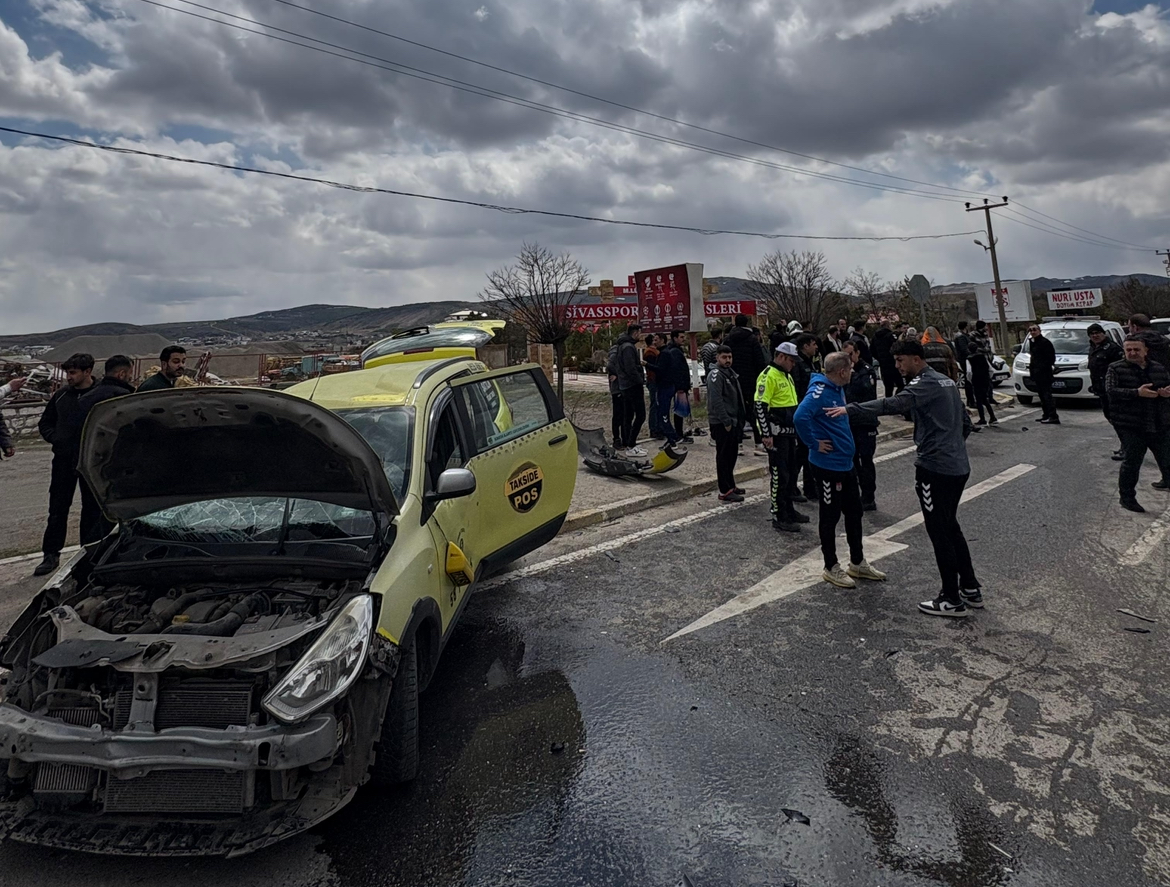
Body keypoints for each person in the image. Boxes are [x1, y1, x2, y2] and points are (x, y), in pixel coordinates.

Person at [829, 340, 980, 618]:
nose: (897, 366)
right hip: (958, 465)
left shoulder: (924, 384)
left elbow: (894, 403)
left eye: (900, 361)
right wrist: (952, 446)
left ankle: (950, 598)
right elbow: (966, 423)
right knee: (951, 526)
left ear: (915, 359)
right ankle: (970, 586)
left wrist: (851, 409)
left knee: (939, 531)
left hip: (935, 469)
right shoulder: (945, 382)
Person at [795, 352, 887, 588]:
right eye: (850, 369)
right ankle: (830, 566)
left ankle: (857, 562)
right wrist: (814, 444)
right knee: (830, 515)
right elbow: (800, 417)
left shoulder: (837, 389)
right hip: (827, 466)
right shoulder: (819, 392)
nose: (853, 372)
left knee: (854, 512)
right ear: (842, 371)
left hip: (846, 463)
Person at [33, 353, 100, 576]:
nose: (68, 378)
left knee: (91, 510)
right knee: (58, 509)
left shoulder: (100, 395)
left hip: (91, 462)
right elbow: (45, 423)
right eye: (67, 373)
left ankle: (88, 554)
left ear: (87, 372)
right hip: (63, 461)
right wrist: (57, 438)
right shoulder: (61, 396)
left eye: (73, 373)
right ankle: (50, 555)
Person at [1106, 336, 1170, 513]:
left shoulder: (1158, 368)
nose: (1133, 353)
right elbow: (1111, 391)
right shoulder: (1115, 368)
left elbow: (1166, 386)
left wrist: (1165, 393)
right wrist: (1136, 393)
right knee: (1132, 461)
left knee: (1166, 456)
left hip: (1158, 421)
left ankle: (1167, 480)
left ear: (1145, 350)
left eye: (1136, 349)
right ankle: (1127, 498)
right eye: (1129, 350)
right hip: (1130, 423)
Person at [756, 342, 809, 532]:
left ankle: (789, 510)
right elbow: (760, 407)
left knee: (792, 473)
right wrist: (766, 434)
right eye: (792, 360)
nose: (794, 364)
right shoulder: (768, 376)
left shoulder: (786, 376)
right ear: (782, 357)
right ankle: (779, 514)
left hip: (789, 433)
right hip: (776, 436)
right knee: (780, 476)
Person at [706, 345, 746, 502]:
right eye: (724, 357)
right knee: (723, 457)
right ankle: (724, 490)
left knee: (731, 455)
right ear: (717, 357)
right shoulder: (716, 375)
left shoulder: (730, 373)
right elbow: (716, 401)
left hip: (734, 421)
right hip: (722, 422)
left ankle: (730, 484)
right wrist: (726, 421)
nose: (727, 360)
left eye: (729, 357)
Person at [843, 341, 880, 510]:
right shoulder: (844, 372)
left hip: (866, 421)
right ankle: (855, 492)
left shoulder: (866, 370)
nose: (848, 358)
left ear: (857, 353)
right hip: (850, 421)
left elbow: (865, 388)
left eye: (851, 354)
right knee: (852, 458)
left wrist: (850, 376)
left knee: (866, 459)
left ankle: (868, 496)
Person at [725, 314, 766, 452]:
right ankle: (758, 444)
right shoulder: (752, 339)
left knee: (737, 412)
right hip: (751, 381)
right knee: (754, 412)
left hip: (733, 381)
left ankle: (738, 444)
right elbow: (760, 362)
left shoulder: (728, 339)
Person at [1087, 325, 1125, 460]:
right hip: (1101, 389)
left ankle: (1126, 448)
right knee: (1110, 417)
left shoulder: (1113, 349)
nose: (1095, 336)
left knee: (1118, 419)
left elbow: (1120, 369)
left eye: (1097, 333)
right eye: (1091, 334)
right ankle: (1124, 445)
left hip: (1112, 391)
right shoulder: (1093, 348)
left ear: (1103, 333)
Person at [789, 333, 819, 500]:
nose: (816, 347)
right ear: (805, 346)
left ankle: (810, 486)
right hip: (802, 412)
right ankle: (792, 486)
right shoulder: (798, 364)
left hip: (811, 412)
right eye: (813, 344)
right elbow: (797, 389)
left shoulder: (809, 362)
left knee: (808, 450)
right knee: (801, 452)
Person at [614, 324, 647, 456]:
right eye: (640, 333)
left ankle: (628, 443)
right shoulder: (628, 347)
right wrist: (640, 380)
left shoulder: (623, 346)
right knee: (640, 415)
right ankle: (631, 444)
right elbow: (630, 368)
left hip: (625, 386)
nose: (640, 336)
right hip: (632, 386)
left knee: (628, 416)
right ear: (635, 333)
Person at [658, 329, 691, 445]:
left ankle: (678, 433)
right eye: (681, 337)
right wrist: (681, 386)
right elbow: (678, 371)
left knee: (679, 410)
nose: (684, 339)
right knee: (679, 411)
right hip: (678, 386)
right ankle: (678, 434)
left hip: (678, 385)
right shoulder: (675, 352)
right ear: (675, 338)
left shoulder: (675, 350)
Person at [1027, 324, 1060, 425]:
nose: (1032, 332)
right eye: (1030, 330)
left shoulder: (1045, 343)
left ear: (1039, 331)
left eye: (1034, 330)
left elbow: (1050, 359)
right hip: (1037, 374)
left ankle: (1053, 416)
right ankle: (1045, 415)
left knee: (1047, 395)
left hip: (1044, 374)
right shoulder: (1033, 343)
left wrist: (1041, 368)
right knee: (1041, 396)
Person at [967, 324, 998, 426]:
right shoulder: (983, 357)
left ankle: (982, 419)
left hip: (976, 381)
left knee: (979, 401)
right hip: (985, 380)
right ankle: (992, 417)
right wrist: (988, 378)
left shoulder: (970, 359)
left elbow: (969, 372)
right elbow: (990, 370)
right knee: (985, 399)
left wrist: (972, 381)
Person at [643, 333, 665, 440]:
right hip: (653, 381)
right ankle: (654, 429)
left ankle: (659, 427)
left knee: (658, 405)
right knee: (654, 405)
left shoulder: (655, 351)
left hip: (657, 381)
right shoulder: (650, 352)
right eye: (655, 340)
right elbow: (654, 367)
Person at [871, 320, 900, 397]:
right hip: (893, 363)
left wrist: (880, 358)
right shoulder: (891, 335)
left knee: (888, 387)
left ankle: (888, 404)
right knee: (900, 385)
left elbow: (872, 350)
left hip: (883, 364)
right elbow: (897, 347)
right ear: (888, 326)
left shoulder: (875, 337)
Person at [953, 321, 976, 408]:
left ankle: (971, 400)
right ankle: (971, 401)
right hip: (965, 361)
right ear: (965, 327)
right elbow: (964, 349)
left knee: (969, 381)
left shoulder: (963, 336)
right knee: (969, 381)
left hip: (965, 360)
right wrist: (971, 355)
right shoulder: (961, 337)